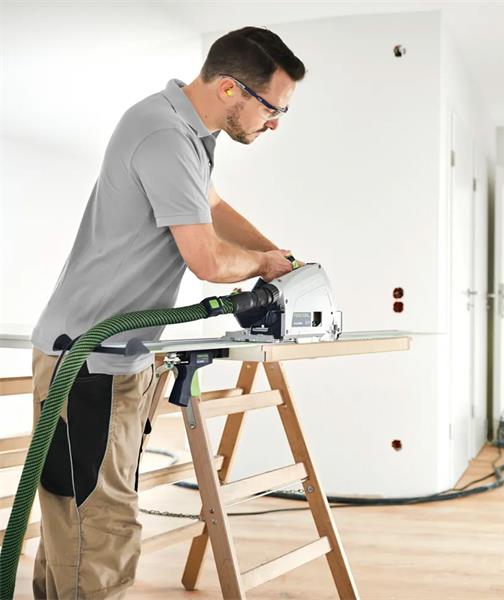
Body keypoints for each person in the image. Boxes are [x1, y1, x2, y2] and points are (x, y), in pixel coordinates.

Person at [29, 26, 306, 599]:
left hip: (104, 357)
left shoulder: (187, 134)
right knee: (99, 526)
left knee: (77, 522)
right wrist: (261, 265)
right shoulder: (164, 135)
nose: (275, 123)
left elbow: (214, 207)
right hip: (89, 360)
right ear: (229, 89)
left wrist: (281, 259)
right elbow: (207, 259)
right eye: (272, 109)